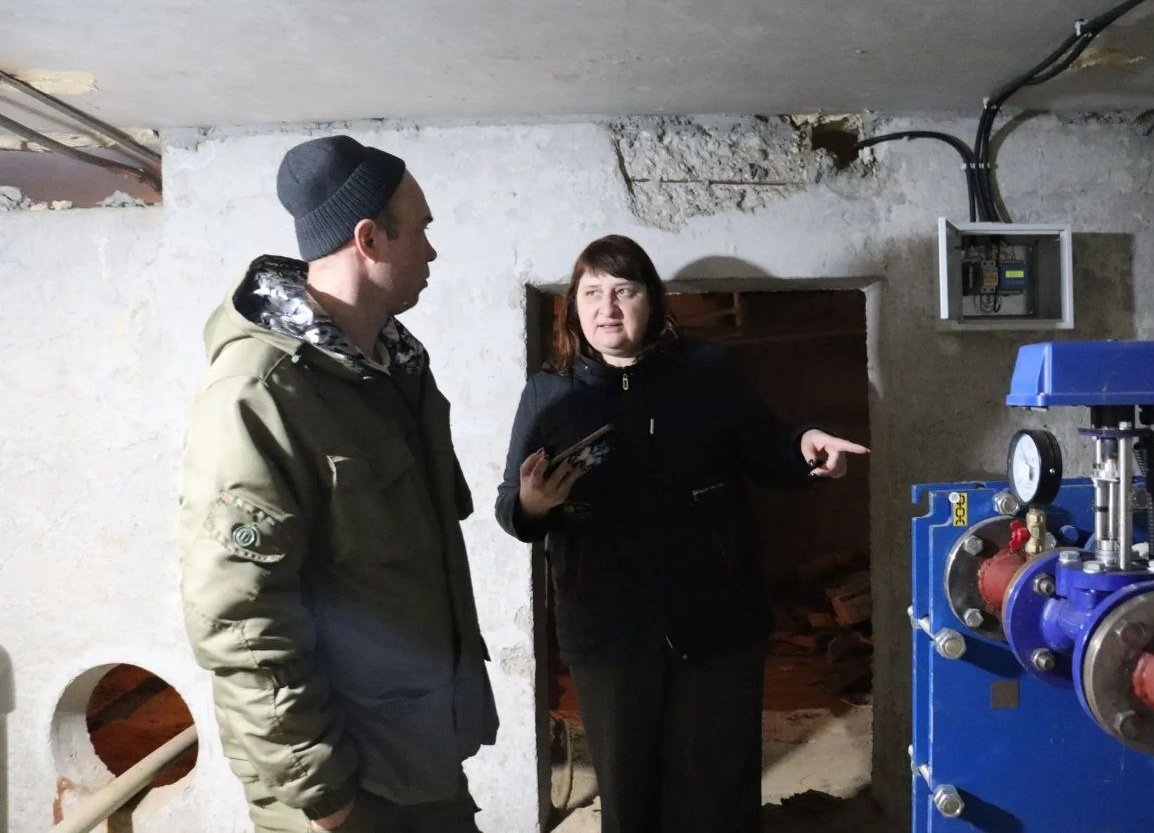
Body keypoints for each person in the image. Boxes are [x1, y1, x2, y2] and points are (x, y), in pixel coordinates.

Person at [495, 234, 868, 833]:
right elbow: (509, 507)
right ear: (572, 308)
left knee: (719, 793)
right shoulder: (549, 392)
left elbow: (766, 448)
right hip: (607, 627)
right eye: (592, 293)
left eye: (624, 290)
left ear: (652, 300)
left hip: (717, 617)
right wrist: (532, 505)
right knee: (630, 794)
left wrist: (804, 446)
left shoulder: (706, 372)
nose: (607, 307)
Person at [178, 135, 497, 833]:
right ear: (369, 239)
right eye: (421, 230)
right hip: (343, 784)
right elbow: (239, 616)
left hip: (418, 754)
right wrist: (320, 791)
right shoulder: (258, 393)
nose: (432, 252)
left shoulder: (394, 368)